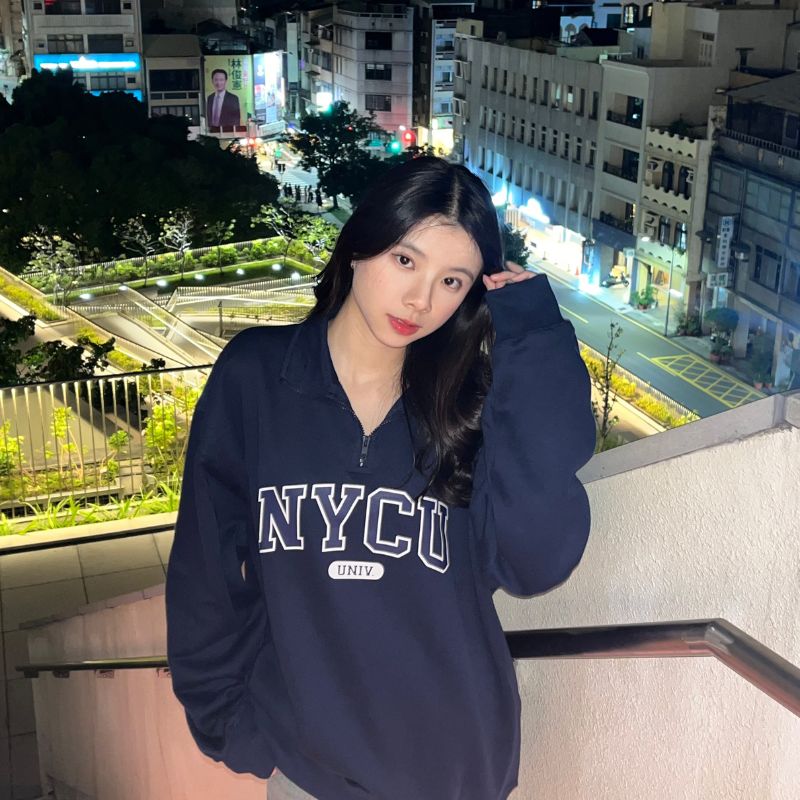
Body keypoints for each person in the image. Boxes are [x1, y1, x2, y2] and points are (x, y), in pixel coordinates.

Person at [165, 157, 595, 800]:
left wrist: (532, 332)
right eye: (405, 260)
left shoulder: (468, 407)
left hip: (458, 769)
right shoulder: (257, 378)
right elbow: (206, 568)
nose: (422, 300)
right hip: (311, 772)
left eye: (452, 281)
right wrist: (227, 722)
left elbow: (535, 564)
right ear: (360, 244)